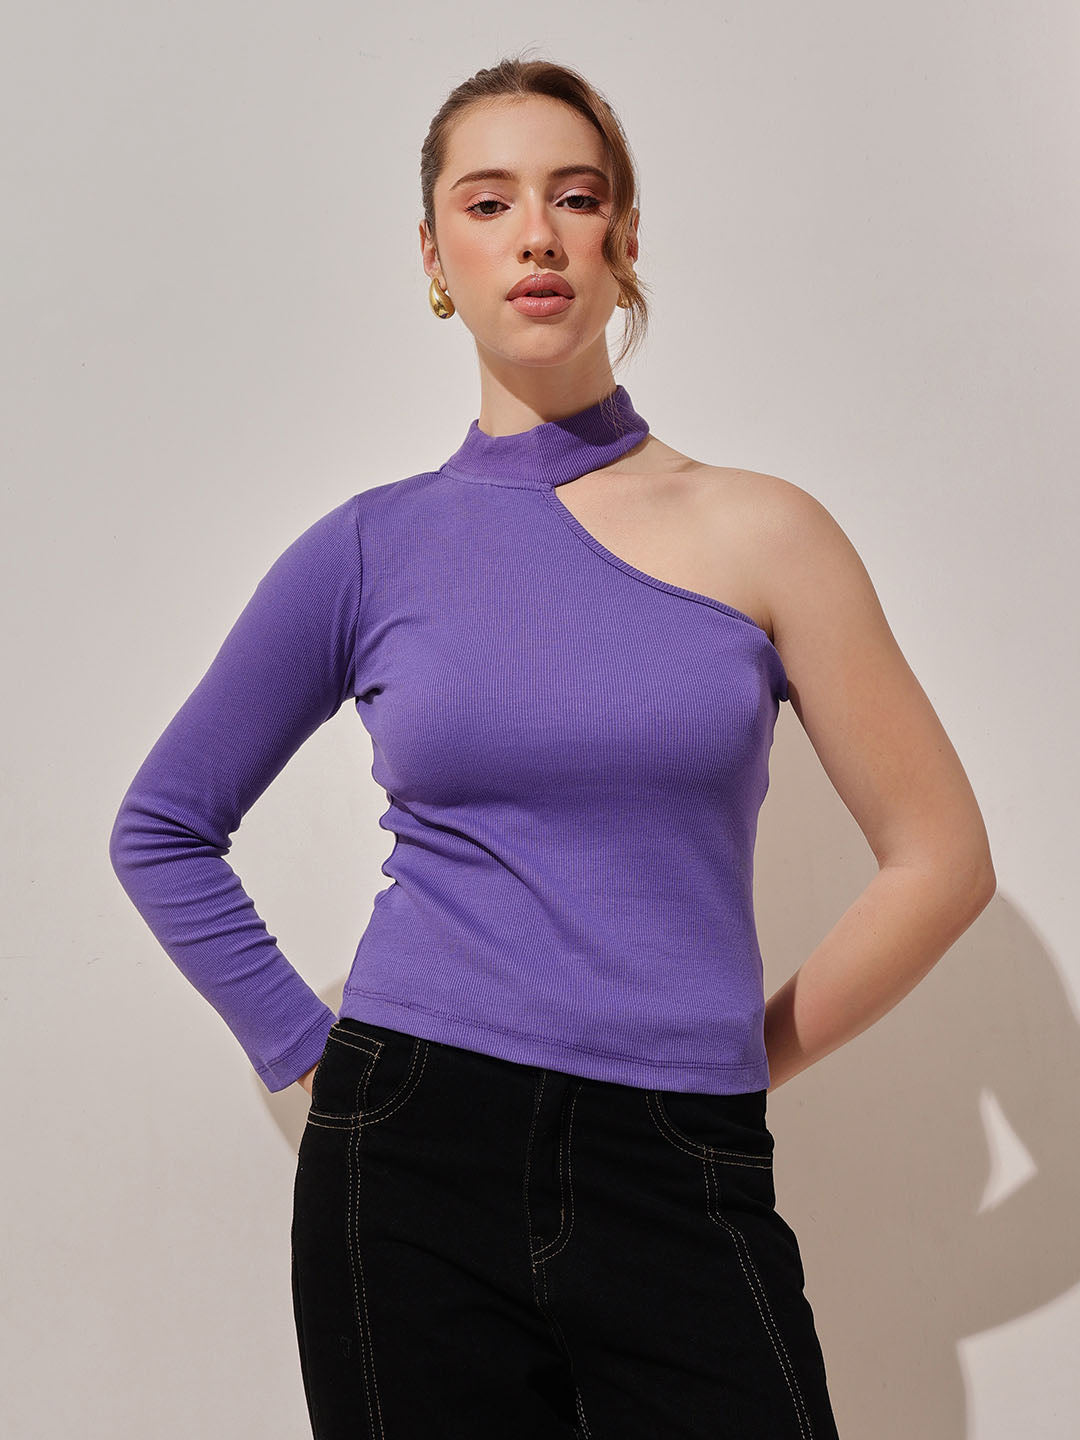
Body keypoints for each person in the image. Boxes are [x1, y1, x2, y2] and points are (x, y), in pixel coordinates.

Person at [109, 54, 996, 1440]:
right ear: (435, 256)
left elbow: (941, 859)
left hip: (682, 1154)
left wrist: (735, 1060)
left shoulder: (767, 533)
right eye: (489, 202)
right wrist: (320, 1062)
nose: (537, 234)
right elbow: (162, 829)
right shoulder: (370, 548)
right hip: (409, 1157)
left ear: (623, 239)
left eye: (576, 198)